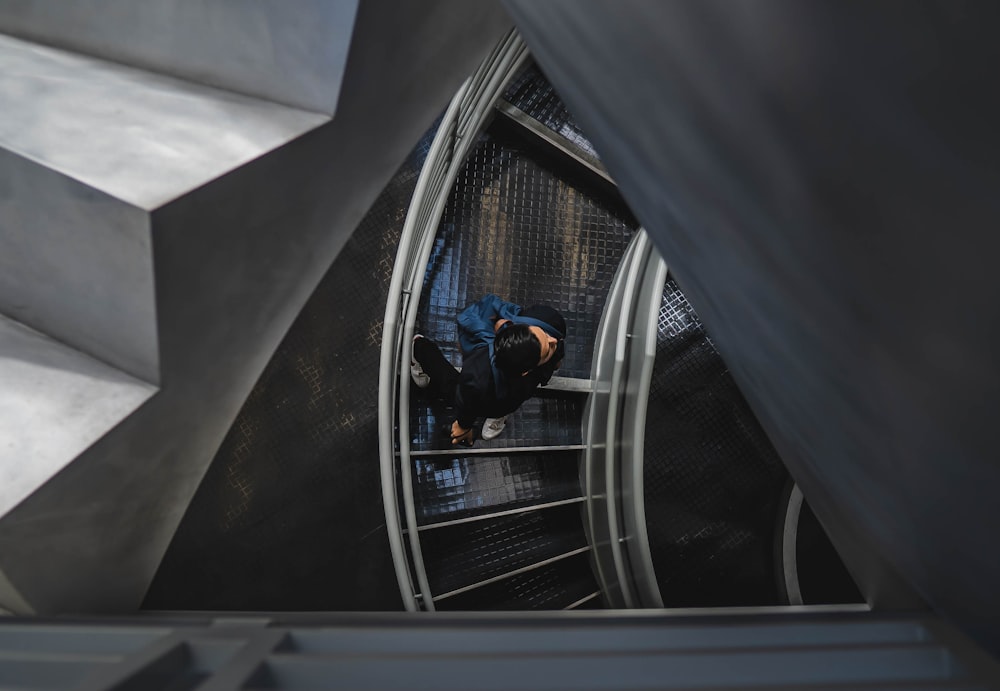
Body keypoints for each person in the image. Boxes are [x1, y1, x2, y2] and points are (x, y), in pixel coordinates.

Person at [410, 294, 566, 445]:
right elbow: (465, 402)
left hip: (513, 386)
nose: (553, 340)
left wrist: (553, 359)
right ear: (525, 371)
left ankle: (501, 411)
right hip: (488, 383)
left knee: (507, 399)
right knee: (452, 387)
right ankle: (420, 348)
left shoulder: (543, 324)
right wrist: (464, 426)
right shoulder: (478, 376)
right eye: (549, 347)